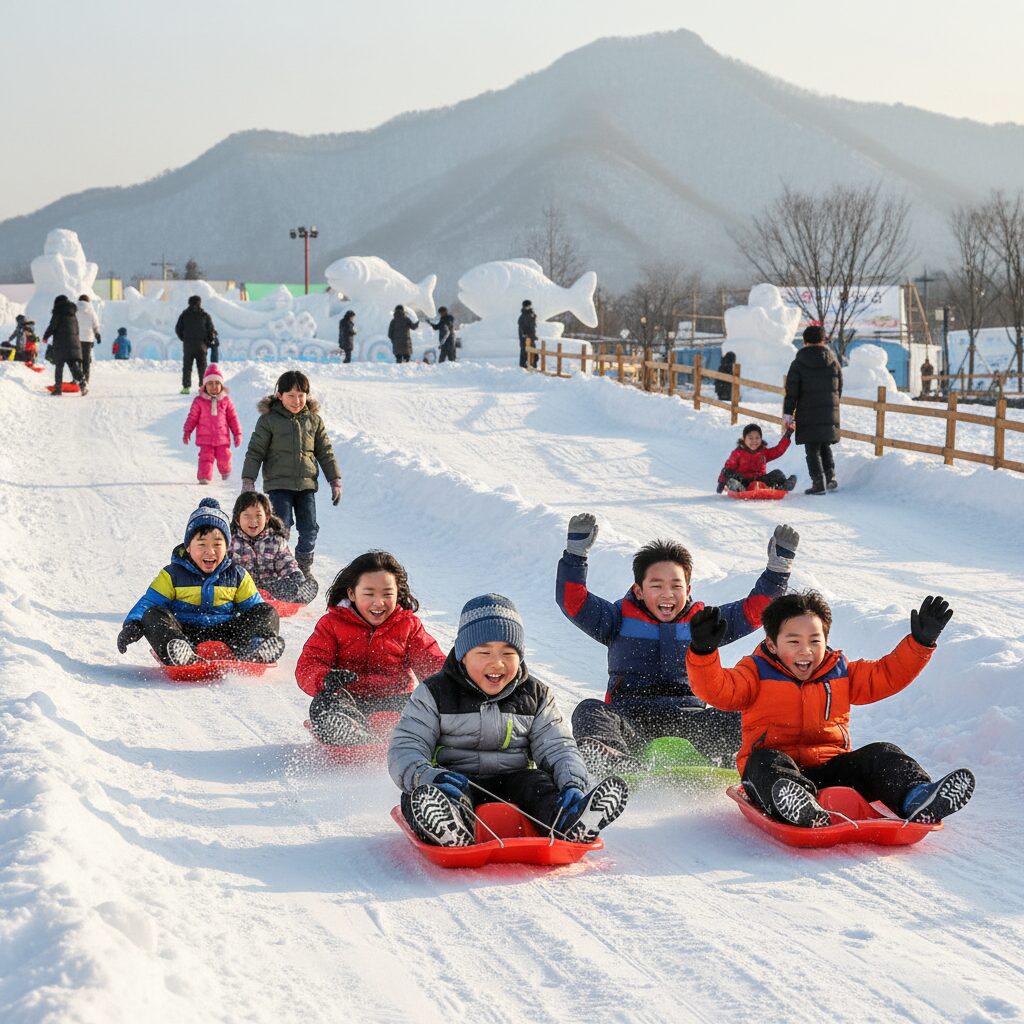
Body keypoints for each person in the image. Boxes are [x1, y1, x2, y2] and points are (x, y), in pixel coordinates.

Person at [685, 590, 975, 828]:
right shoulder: (755, 673)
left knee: (881, 753)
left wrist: (919, 644)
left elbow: (886, 676)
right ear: (772, 644)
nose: (805, 650)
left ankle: (917, 796)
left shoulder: (840, 672)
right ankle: (799, 807)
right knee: (763, 760)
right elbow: (718, 689)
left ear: (826, 641)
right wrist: (703, 653)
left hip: (830, 768)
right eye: (794, 641)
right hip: (775, 777)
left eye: (815, 641)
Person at [556, 512, 798, 776]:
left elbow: (754, 611)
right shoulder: (617, 618)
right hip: (630, 721)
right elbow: (574, 602)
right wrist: (575, 554)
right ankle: (613, 761)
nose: (667, 594)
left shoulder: (703, 622)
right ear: (639, 590)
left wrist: (777, 571)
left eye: (676, 585)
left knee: (752, 716)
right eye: (656, 585)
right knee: (589, 710)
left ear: (688, 589)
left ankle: (749, 766)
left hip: (691, 722)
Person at [388, 593, 630, 848]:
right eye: (484, 652)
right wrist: (427, 776)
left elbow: (558, 746)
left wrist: (572, 783)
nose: (497, 663)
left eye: (508, 652)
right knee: (418, 796)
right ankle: (449, 825)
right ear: (463, 655)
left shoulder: (535, 695)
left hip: (515, 780)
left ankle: (570, 822)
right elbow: (407, 745)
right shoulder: (435, 693)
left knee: (540, 785)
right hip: (455, 780)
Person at [296, 550, 445, 745]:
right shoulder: (332, 624)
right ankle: (351, 732)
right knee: (322, 705)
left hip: (396, 701)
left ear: (397, 593)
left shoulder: (408, 625)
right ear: (352, 594)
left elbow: (432, 664)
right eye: (369, 594)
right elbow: (309, 664)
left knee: (427, 705)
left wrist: (453, 688)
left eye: (387, 594)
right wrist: (325, 679)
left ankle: (409, 734)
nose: (378, 602)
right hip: (349, 700)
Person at [115, 497, 285, 667]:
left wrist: (260, 630)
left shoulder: (237, 575)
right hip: (184, 633)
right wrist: (134, 625)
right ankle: (180, 653)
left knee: (266, 611)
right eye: (202, 545)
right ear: (188, 546)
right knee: (152, 614)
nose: (210, 552)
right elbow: (149, 602)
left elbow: (254, 608)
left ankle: (255, 649)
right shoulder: (172, 574)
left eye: (217, 544)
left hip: (228, 634)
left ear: (227, 547)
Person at [241, 369, 342, 581]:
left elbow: (325, 452)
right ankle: (278, 567)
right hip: (278, 485)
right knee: (281, 526)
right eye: (291, 396)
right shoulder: (269, 420)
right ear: (280, 395)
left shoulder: (313, 421)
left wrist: (335, 480)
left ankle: (303, 568)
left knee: (310, 529)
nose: (297, 401)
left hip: (306, 486)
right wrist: (248, 480)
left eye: (301, 396)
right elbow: (255, 451)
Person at [229, 491, 318, 606]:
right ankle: (292, 597)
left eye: (258, 515)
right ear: (237, 519)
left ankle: (298, 593)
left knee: (285, 586)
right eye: (247, 516)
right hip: (243, 589)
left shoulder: (275, 541)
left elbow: (287, 561)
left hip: (269, 588)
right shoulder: (231, 542)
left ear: (266, 518)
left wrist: (296, 576)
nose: (253, 521)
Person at [783, 324, 842, 495]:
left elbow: (792, 390)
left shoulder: (799, 363)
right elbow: (839, 386)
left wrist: (788, 412)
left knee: (812, 448)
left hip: (807, 411)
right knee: (825, 444)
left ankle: (818, 483)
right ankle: (831, 476)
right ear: (823, 340)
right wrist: (833, 404)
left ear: (805, 342)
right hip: (829, 409)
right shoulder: (833, 361)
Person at [182, 364, 242, 484]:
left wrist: (237, 434)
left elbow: (233, 418)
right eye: (210, 383)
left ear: (221, 385)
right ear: (205, 386)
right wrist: (187, 431)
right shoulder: (199, 401)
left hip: (222, 439)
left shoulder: (226, 400)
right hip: (205, 439)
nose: (214, 386)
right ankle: (204, 478)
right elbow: (192, 417)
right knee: (205, 458)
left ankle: (226, 472)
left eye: (217, 383)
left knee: (224, 458)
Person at [716, 422, 797, 494]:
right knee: (728, 474)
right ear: (744, 439)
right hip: (743, 481)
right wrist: (721, 482)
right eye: (750, 438)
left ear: (761, 439)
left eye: (757, 438)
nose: (754, 441)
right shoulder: (737, 453)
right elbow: (727, 468)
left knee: (777, 473)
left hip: (760, 481)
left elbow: (778, 450)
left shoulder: (764, 452)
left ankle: (784, 485)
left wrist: (788, 434)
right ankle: (740, 490)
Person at [42, 295, 86, 396]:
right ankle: (83, 383)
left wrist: (45, 337)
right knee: (73, 365)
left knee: (59, 366)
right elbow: (77, 330)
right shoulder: (73, 314)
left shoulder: (58, 312)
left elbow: (52, 326)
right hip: (73, 343)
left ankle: (58, 389)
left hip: (61, 343)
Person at [175, 294, 216, 394]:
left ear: (189, 303)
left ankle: (186, 388)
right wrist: (209, 341)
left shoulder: (184, 315)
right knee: (202, 366)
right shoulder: (205, 315)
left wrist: (183, 339)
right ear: (200, 303)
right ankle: (203, 387)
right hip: (201, 345)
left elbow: (178, 329)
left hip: (188, 345)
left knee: (187, 367)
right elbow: (211, 330)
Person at [75, 294, 101, 384]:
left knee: (77, 359)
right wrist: (97, 334)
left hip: (76, 338)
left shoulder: (75, 310)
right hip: (88, 339)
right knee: (86, 360)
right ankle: (86, 379)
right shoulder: (91, 311)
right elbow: (95, 325)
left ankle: (78, 379)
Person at [518, 299, 538, 369]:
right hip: (525, 339)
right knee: (524, 353)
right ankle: (523, 368)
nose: (529, 307)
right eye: (527, 306)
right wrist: (525, 334)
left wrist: (534, 335)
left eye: (529, 306)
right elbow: (522, 328)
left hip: (531, 338)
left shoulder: (532, 315)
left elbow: (533, 327)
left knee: (535, 354)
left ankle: (534, 367)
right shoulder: (522, 317)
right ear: (524, 307)